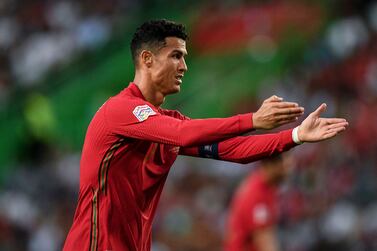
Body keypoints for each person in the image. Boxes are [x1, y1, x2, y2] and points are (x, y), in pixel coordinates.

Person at [62, 19, 348, 251]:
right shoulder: (119, 111)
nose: (184, 66)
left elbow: (233, 149)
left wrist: (296, 135)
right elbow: (183, 134)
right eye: (176, 56)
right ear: (147, 59)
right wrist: (252, 119)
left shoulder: (164, 124)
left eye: (184, 57)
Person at [225, 154, 293, 251]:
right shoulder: (256, 193)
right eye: (286, 167)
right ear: (271, 164)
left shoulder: (266, 187)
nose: (289, 171)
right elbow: (264, 242)